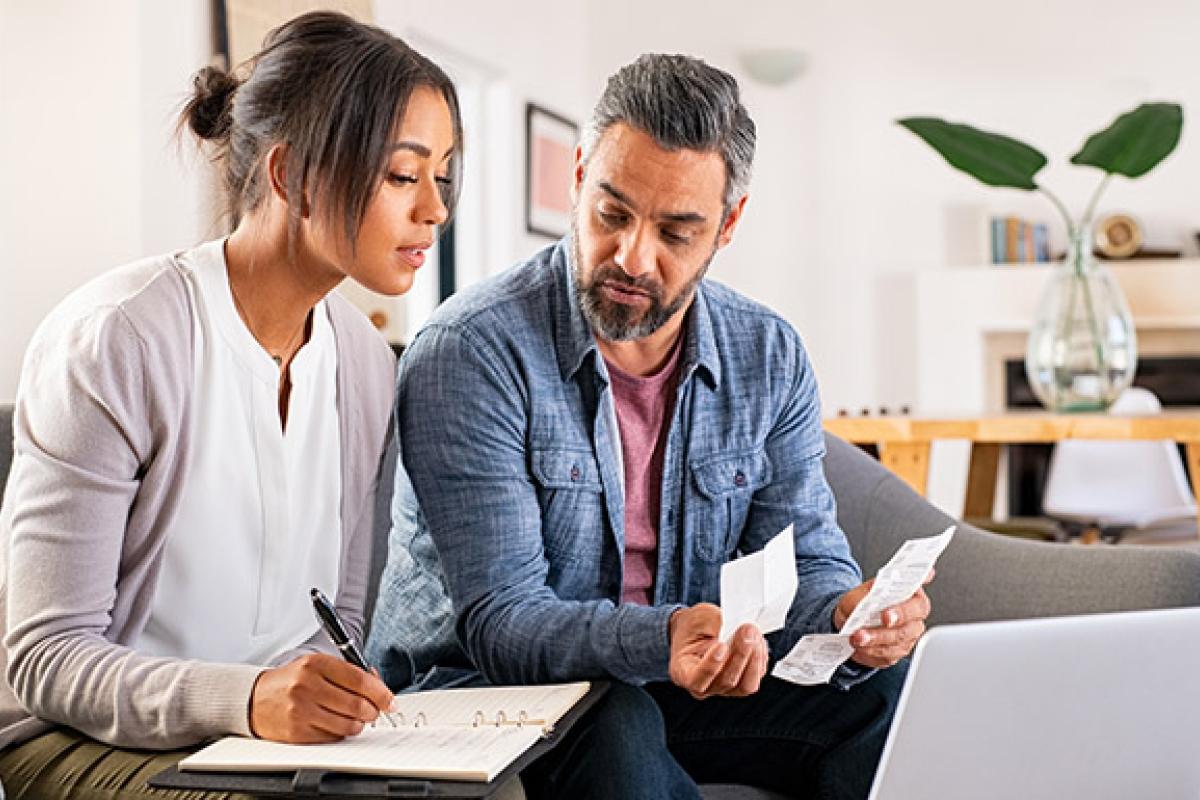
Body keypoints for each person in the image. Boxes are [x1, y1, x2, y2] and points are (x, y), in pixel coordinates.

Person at [367, 54, 932, 800]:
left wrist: (846, 613)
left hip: (670, 676)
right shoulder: (472, 352)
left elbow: (804, 553)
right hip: (480, 693)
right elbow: (502, 623)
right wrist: (665, 641)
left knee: (884, 701)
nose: (632, 256)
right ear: (577, 179)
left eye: (675, 231)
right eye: (612, 214)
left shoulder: (768, 354)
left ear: (727, 225)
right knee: (620, 718)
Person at [0, 11, 461, 798]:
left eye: (442, 176)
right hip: (77, 742)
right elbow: (46, 658)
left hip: (264, 749)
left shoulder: (364, 365)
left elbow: (337, 620)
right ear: (292, 176)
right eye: (401, 175)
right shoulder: (118, 339)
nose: (434, 211)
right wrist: (246, 700)